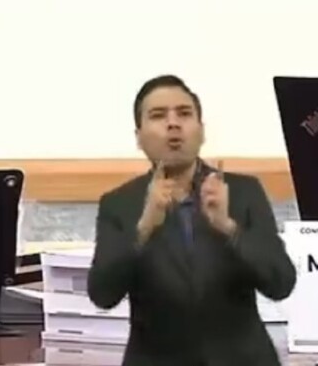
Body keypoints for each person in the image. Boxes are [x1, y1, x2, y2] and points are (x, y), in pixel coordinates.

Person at [87, 75, 296, 366]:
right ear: (139, 136)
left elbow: (281, 283)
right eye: (158, 115)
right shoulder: (119, 204)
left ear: (201, 130)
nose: (173, 124)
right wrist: (144, 227)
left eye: (184, 113)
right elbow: (102, 294)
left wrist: (229, 227)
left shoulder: (243, 191)